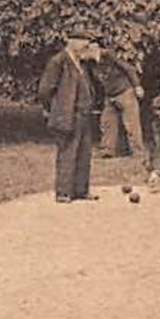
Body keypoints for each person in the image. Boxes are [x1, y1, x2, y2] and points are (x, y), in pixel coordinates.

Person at [38, 33, 102, 202]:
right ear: (71, 42)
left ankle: (81, 190)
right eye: (84, 43)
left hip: (84, 114)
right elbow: (45, 89)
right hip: (68, 115)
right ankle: (64, 192)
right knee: (68, 152)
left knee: (84, 152)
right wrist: (52, 109)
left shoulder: (82, 62)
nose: (86, 47)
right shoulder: (58, 61)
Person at [95, 45, 147, 166]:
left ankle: (138, 152)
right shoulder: (90, 62)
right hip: (109, 95)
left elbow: (129, 69)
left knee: (131, 124)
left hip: (125, 92)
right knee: (107, 122)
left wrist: (137, 86)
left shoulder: (109, 55)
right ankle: (107, 151)